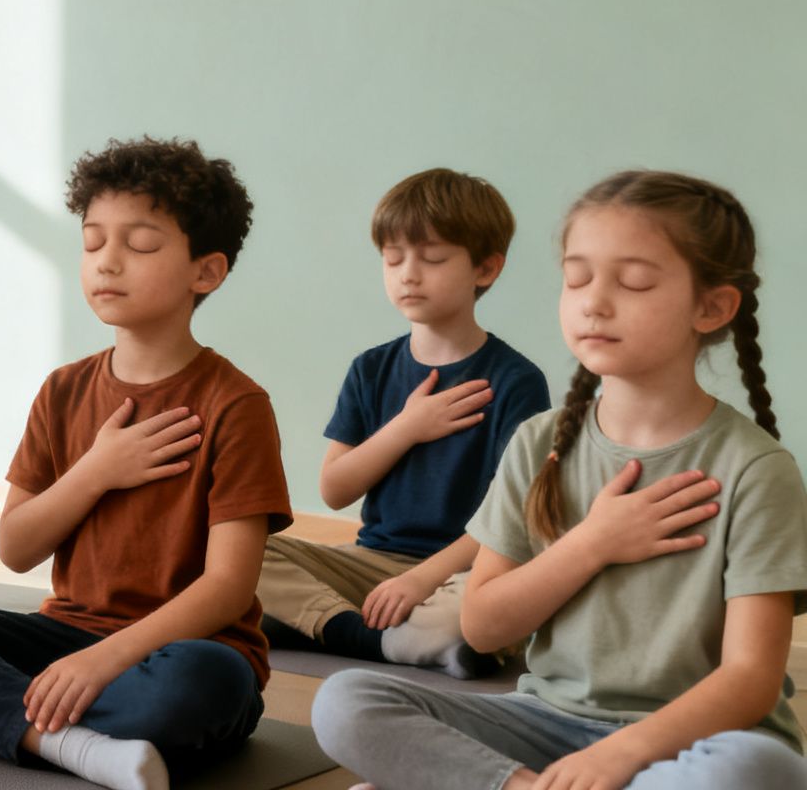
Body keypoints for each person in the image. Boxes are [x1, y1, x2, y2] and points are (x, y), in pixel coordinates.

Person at [313, 171, 807, 789]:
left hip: (695, 743)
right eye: (577, 278)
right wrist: (593, 543)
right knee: (346, 701)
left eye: (633, 282)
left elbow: (750, 680)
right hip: (548, 724)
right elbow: (485, 626)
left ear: (711, 307)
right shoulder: (541, 443)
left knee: (759, 770)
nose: (593, 302)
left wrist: (617, 757)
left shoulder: (756, 470)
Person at [0, 137, 291, 790]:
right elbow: (15, 548)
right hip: (63, 637)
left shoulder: (235, 404)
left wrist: (104, 662)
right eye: (93, 241)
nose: (107, 262)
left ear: (205, 273)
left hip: (182, 655)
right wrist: (97, 470)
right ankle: (60, 739)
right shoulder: (64, 390)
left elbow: (228, 589)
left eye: (141, 245)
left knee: (194, 689)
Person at [259, 168, 549, 677]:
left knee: (485, 613)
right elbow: (334, 490)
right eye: (393, 259)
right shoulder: (371, 369)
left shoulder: (516, 380)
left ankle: (325, 625)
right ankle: (372, 638)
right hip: (370, 565)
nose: (408, 274)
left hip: (464, 571)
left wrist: (422, 581)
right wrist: (407, 427)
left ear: (485, 268)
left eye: (432, 258)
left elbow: (514, 523)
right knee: (231, 552)